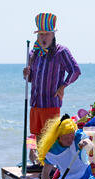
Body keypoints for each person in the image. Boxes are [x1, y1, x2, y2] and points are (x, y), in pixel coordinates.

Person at [23, 13, 81, 171]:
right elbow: (32, 79)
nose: (43, 37)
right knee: (35, 134)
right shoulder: (33, 54)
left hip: (51, 102)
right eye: (41, 34)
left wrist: (63, 86)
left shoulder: (61, 52)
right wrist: (26, 74)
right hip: (35, 102)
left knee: (50, 136)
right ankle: (37, 162)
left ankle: (50, 165)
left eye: (47, 34)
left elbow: (75, 71)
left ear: (53, 34)